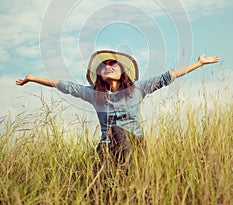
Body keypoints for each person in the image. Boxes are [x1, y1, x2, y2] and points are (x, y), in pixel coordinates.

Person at [16, 50, 219, 165]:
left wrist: (199, 64)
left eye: (114, 63)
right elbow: (66, 86)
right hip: (108, 147)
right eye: (104, 65)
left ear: (122, 71)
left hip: (135, 144)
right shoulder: (95, 95)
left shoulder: (137, 89)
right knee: (98, 162)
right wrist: (32, 79)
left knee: (118, 131)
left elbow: (168, 76)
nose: (109, 65)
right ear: (100, 74)